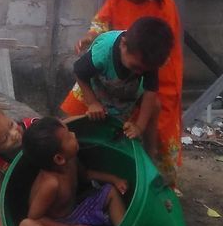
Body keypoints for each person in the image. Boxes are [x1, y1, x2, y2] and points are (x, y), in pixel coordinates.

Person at [62, 0, 184, 185]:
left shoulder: (163, 5)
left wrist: (141, 66)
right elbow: (100, 24)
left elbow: (162, 48)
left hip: (153, 71)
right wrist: (90, 36)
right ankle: (72, 164)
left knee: (155, 128)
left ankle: (156, 183)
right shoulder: (116, 0)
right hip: (113, 70)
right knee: (77, 113)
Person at [65, 16, 173, 161]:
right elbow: (79, 72)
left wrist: (139, 127)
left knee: (155, 106)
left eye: (144, 70)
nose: (139, 72)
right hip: (94, 87)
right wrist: (92, 103)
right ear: (123, 44)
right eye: (135, 67)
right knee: (73, 126)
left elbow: (150, 93)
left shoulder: (148, 59)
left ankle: (149, 157)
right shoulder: (103, 51)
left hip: (126, 92)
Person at [17, 117, 128, 226]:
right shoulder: (50, 184)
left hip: (77, 212)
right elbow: (35, 218)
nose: (74, 134)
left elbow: (86, 175)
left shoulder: (71, 161)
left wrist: (114, 179)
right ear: (59, 158)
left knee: (110, 191)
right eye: (69, 137)